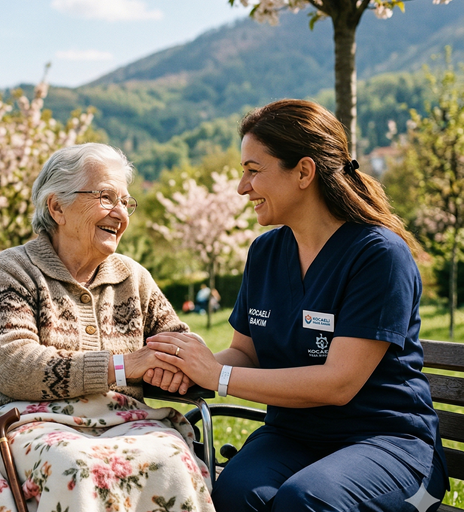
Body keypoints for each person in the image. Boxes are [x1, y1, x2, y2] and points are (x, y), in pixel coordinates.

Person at [146, 99, 448, 511]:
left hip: (387, 443)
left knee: (302, 501)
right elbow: (245, 351)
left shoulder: (379, 255)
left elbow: (338, 383)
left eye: (254, 171)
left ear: (303, 171)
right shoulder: (265, 252)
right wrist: (187, 368)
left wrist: (217, 376)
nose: (241, 187)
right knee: (232, 494)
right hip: (293, 435)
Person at [0, 143, 213, 512]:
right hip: (23, 419)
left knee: (172, 459)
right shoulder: (13, 270)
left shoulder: (133, 278)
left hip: (121, 420)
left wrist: (180, 366)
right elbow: (11, 364)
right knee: (76, 467)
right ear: (57, 207)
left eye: (126, 202)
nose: (121, 213)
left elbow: (179, 342)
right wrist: (125, 366)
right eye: (106, 197)